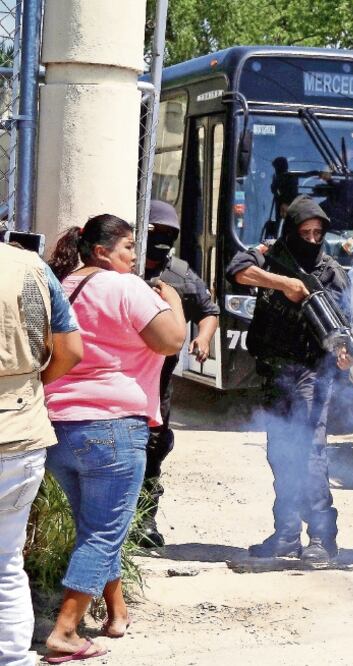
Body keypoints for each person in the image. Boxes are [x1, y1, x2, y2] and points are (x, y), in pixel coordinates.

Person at [44, 214, 186, 662]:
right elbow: (171, 341)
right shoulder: (125, 287)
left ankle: (117, 613)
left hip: (58, 427)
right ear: (102, 252)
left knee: (96, 527)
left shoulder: (63, 285)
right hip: (112, 427)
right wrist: (174, 302)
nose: (134, 256)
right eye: (128, 247)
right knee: (104, 533)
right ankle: (65, 632)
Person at [226, 195, 352, 565]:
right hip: (276, 372)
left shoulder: (331, 273)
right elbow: (237, 269)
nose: (311, 240)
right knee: (281, 453)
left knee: (309, 454)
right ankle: (286, 535)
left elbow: (345, 325)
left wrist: (344, 355)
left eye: (317, 234)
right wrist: (285, 284)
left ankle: (322, 538)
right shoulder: (269, 256)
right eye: (304, 233)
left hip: (313, 372)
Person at [0, 241, 82, 666]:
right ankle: (13, 658)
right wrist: (26, 389)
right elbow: (71, 350)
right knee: (5, 562)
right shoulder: (31, 267)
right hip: (19, 434)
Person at [137, 200, 220, 547]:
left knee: (154, 448)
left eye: (169, 235)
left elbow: (209, 310)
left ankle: (144, 520)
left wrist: (203, 338)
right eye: (154, 232)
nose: (161, 241)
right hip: (121, 378)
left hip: (158, 382)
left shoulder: (181, 276)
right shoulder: (123, 267)